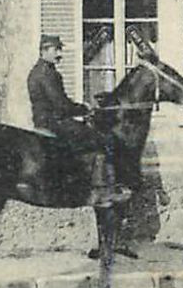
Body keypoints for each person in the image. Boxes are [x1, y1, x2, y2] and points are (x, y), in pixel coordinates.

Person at [23, 36, 128, 208]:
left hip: (46, 120)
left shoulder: (38, 71)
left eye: (60, 49)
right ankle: (102, 190)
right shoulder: (46, 74)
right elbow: (61, 105)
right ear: (44, 50)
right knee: (99, 138)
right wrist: (84, 109)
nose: (59, 54)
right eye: (55, 50)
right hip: (54, 122)